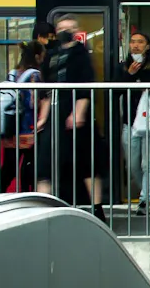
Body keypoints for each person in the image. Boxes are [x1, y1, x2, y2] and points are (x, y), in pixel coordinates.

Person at [35, 15, 107, 221]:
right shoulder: (52, 54)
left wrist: (79, 112)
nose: (65, 32)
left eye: (69, 28)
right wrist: (43, 117)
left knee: (87, 162)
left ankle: (97, 208)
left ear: (76, 31)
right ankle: (43, 210)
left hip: (75, 111)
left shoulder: (81, 54)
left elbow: (85, 85)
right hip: (56, 112)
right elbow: (47, 90)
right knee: (45, 164)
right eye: (61, 28)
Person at [115, 30, 150, 214]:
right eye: (132, 42)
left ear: (147, 46)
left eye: (140, 42)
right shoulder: (122, 68)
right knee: (132, 165)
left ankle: (145, 200)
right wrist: (130, 75)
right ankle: (143, 192)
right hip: (130, 122)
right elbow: (116, 91)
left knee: (148, 163)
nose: (135, 45)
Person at [0, 40, 46, 193]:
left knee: (9, 167)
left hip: (10, 127)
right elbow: (33, 102)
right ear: (37, 57)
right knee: (29, 165)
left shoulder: (12, 73)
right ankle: (26, 194)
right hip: (27, 128)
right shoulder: (34, 75)